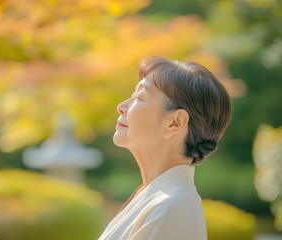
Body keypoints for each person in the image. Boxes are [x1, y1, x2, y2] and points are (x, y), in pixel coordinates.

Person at [98, 57, 232, 240]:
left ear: (175, 123)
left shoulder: (173, 206)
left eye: (139, 97)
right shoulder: (159, 198)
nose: (121, 107)